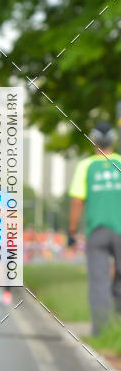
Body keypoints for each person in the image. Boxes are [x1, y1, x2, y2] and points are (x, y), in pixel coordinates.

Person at [68, 122, 121, 335]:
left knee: (99, 280)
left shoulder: (85, 166)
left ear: (93, 140)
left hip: (97, 231)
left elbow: (77, 202)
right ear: (113, 140)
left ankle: (102, 330)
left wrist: (72, 232)